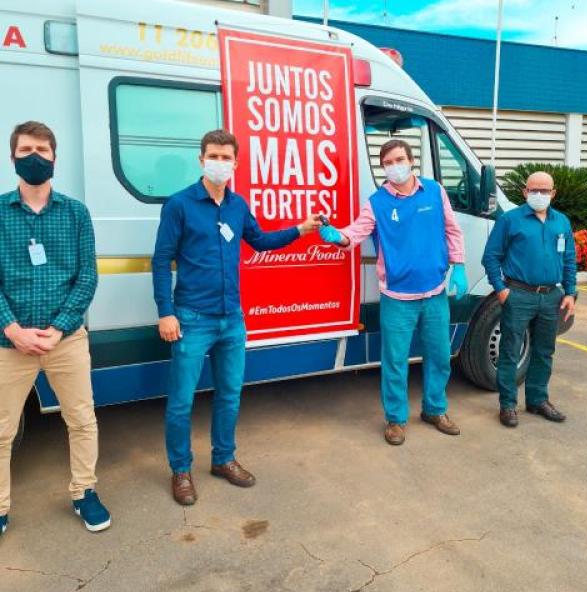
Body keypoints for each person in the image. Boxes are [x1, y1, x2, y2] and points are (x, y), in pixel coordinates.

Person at [152, 129, 321, 506]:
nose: (219, 162)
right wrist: (166, 312)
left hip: (232, 319)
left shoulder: (237, 206)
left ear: (236, 163)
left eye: (226, 157)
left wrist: (301, 229)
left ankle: (223, 459)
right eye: (213, 156)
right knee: (181, 401)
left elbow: (260, 241)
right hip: (192, 318)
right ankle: (180, 470)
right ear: (201, 160)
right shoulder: (179, 205)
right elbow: (161, 261)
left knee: (230, 393)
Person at [319, 138, 467, 446]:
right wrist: (337, 236)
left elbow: (452, 229)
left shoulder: (435, 191)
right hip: (397, 298)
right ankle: (396, 419)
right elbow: (355, 232)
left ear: (411, 161)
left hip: (435, 294)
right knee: (395, 362)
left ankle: (435, 410)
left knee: (440, 357)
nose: (394, 167)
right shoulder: (377, 202)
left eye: (399, 160)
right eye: (387, 163)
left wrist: (459, 265)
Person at [0, 121, 110, 537]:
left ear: (54, 158)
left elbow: (87, 277)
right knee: (2, 431)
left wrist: (60, 328)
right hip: (9, 343)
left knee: (82, 420)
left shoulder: (75, 212)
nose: (34, 157)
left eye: (42, 150)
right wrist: (12, 329)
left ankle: (84, 492)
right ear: (12, 158)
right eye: (26, 150)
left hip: (66, 341)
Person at [482, 171, 576, 427]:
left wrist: (570, 292)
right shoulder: (510, 220)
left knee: (544, 351)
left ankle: (537, 400)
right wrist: (501, 290)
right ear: (525, 192)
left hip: (551, 296)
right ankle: (508, 405)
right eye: (534, 190)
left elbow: (569, 258)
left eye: (544, 191)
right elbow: (491, 256)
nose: (539, 195)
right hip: (519, 295)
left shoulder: (561, 222)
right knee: (510, 351)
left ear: (553, 193)